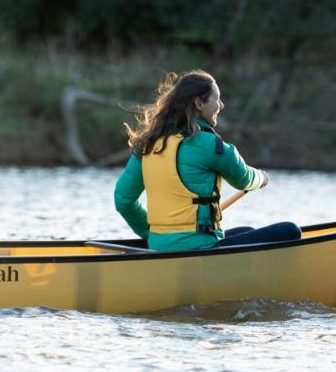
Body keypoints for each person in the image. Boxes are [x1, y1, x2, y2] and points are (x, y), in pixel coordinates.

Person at [114, 70, 300, 251]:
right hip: (198, 246)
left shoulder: (148, 144)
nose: (221, 105)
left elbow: (123, 200)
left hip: (158, 244)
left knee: (247, 232)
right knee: (291, 230)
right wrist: (262, 178)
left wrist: (149, 234)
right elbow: (243, 179)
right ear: (198, 103)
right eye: (216, 99)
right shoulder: (212, 145)